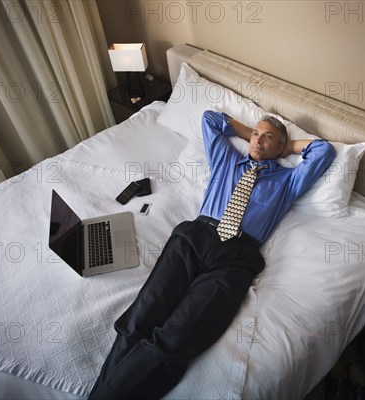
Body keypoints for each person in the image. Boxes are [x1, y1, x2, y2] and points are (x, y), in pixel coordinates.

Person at [88, 110, 336, 399]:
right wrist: (253, 136)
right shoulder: (227, 160)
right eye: (256, 134)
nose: (258, 139)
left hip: (236, 258)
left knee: (178, 337)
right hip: (196, 237)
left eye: (268, 137)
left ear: (280, 148)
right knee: (141, 317)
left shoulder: (288, 181)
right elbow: (209, 119)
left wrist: (287, 145)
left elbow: (323, 150)